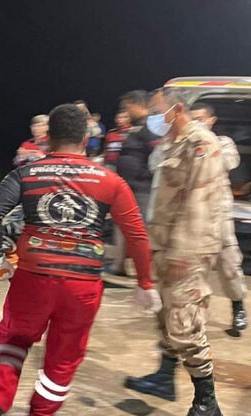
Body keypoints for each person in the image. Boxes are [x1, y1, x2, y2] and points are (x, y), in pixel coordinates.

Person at [0, 104, 160, 416]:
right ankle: (42, 411)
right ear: (86, 138)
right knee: (64, 355)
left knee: (14, 337)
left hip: (33, 278)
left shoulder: (26, 173)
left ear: (49, 137)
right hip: (83, 283)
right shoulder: (110, 181)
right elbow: (137, 235)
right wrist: (145, 283)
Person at [124, 90, 225, 416]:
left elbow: (200, 204)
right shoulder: (173, 142)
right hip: (165, 247)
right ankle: (165, 378)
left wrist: (182, 252)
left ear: (177, 109)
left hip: (187, 251)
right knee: (164, 316)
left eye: (157, 110)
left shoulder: (201, 143)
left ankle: (207, 401)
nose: (152, 117)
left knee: (185, 324)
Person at [190, 102, 247, 332]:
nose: (196, 124)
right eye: (192, 119)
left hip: (218, 214)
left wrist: (204, 143)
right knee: (194, 268)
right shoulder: (182, 144)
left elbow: (228, 162)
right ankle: (194, 316)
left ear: (211, 121)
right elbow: (157, 165)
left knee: (229, 263)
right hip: (191, 215)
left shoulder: (223, 142)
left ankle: (238, 305)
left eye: (200, 119)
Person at [109, 90, 164, 276]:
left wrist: (146, 174)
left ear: (137, 104)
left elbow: (158, 154)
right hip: (128, 186)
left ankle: (149, 272)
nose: (126, 111)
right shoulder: (138, 127)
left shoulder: (151, 126)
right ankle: (119, 265)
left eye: (127, 107)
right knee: (122, 225)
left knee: (142, 230)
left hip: (142, 188)